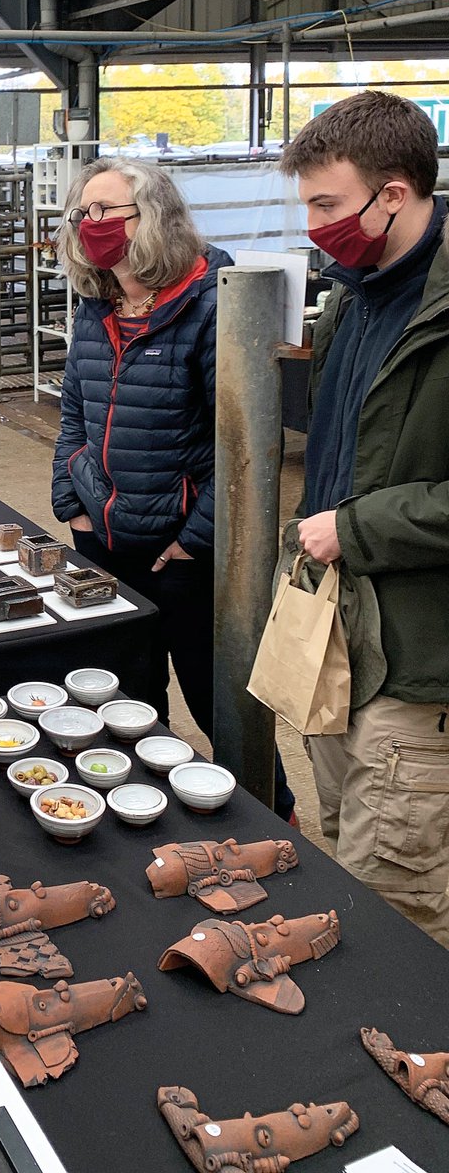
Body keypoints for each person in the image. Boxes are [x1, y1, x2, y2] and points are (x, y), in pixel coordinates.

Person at [49, 158, 300, 817]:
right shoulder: (97, 300)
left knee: (219, 699)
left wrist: (195, 541)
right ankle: (148, 817)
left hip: (183, 550)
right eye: (83, 214)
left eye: (107, 211)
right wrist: (72, 506)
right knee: (127, 701)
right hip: (104, 538)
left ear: (153, 216)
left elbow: (241, 443)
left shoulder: (211, 301)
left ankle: (277, 823)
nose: (91, 225)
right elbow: (73, 407)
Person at [279, 92, 449, 946]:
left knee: (394, 904)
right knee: (346, 846)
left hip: (418, 664)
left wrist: (356, 528)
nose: (314, 227)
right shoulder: (354, 296)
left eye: (327, 204)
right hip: (342, 636)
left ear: (394, 193)